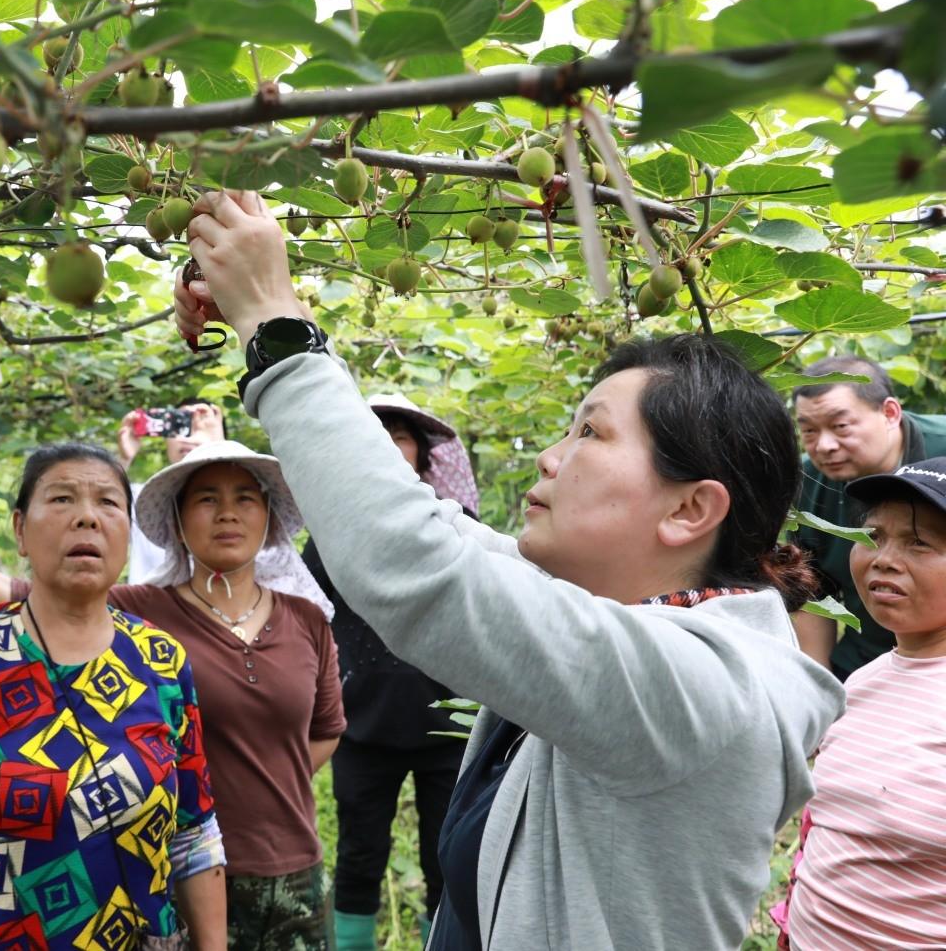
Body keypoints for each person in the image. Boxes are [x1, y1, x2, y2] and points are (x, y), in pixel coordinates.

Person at [172, 189, 846, 951]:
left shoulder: (701, 689)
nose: (549, 455)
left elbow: (414, 562)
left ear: (690, 510)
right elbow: (444, 540)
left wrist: (277, 322)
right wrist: (256, 313)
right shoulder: (628, 624)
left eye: (589, 431)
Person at [0, 437, 345, 949]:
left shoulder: (162, 660)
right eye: (62, 499)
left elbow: (194, 837)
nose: (86, 517)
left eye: (108, 503)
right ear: (20, 529)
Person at [303, 394, 478, 951]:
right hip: (363, 726)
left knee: (446, 856)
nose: (386, 445)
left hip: (448, 725)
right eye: (374, 434)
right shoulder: (333, 531)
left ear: (421, 455)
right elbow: (307, 613)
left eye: (399, 436)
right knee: (359, 852)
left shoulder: (455, 527)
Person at [773, 457, 946, 949]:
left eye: (920, 542)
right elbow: (827, 838)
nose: (883, 558)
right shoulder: (858, 685)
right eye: (873, 536)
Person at [791, 355, 946, 678]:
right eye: (808, 431)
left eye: (840, 426)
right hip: (865, 662)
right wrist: (820, 687)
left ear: (889, 413)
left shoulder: (940, 448)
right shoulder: (808, 484)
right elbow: (813, 591)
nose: (825, 446)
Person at [118, 399, 227, 583]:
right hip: (148, 609)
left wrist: (219, 446)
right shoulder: (143, 500)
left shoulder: (248, 502)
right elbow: (98, 513)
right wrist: (123, 459)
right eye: (179, 425)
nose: (187, 437)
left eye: (200, 428)